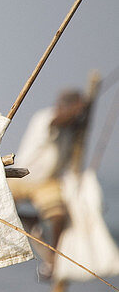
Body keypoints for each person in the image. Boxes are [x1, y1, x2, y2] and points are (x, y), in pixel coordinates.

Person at [8, 89, 89, 278]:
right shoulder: (46, 118)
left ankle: (53, 256)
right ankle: (27, 219)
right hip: (22, 176)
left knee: (58, 216)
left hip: (46, 183)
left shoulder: (72, 131)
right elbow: (57, 121)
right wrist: (75, 112)